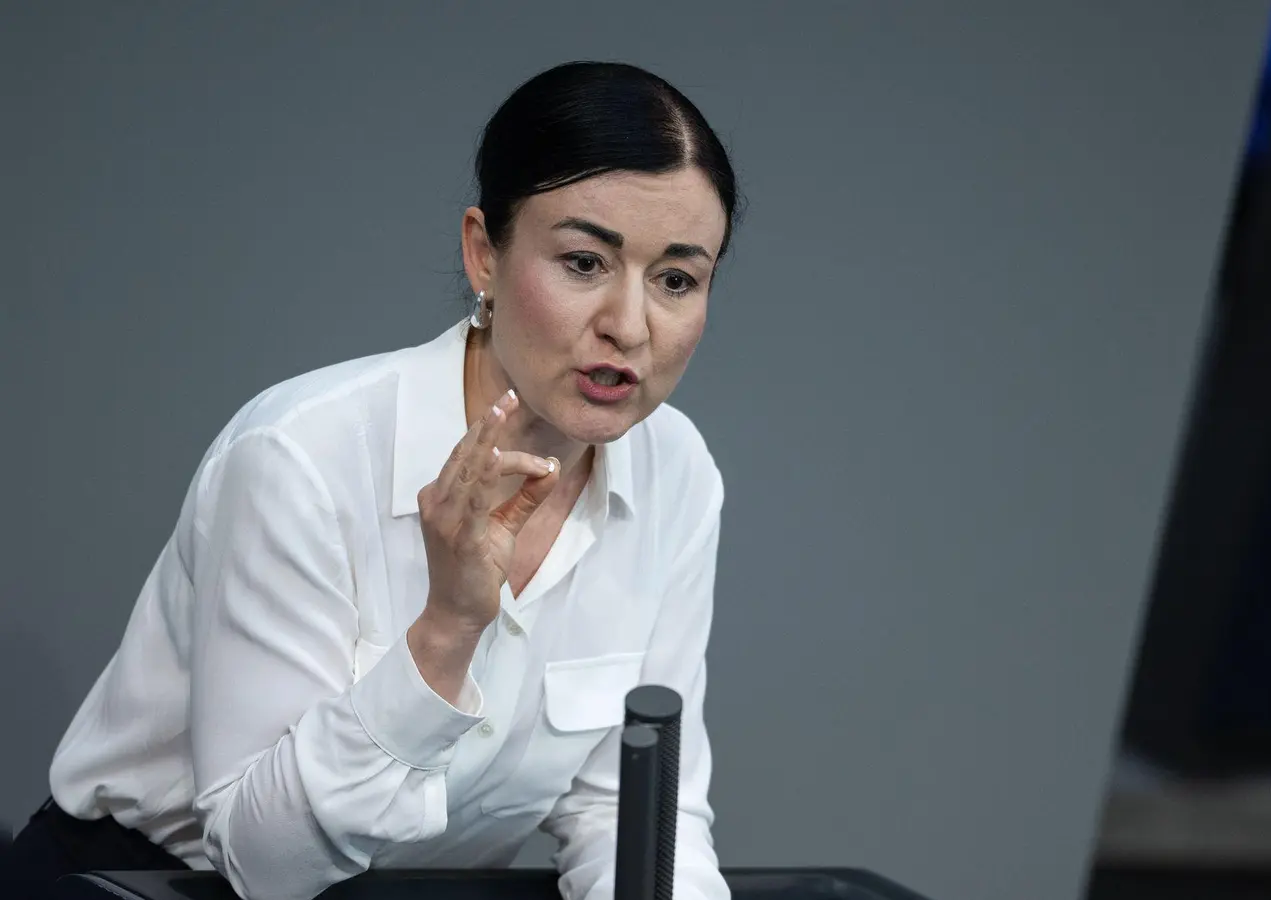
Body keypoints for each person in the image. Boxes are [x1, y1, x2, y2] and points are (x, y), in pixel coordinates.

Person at [3, 61, 741, 900]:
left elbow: (632, 815)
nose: (629, 325)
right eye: (582, 263)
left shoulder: (677, 472)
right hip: (137, 886)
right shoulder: (299, 457)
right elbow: (264, 865)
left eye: (677, 280)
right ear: (484, 255)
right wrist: (450, 628)